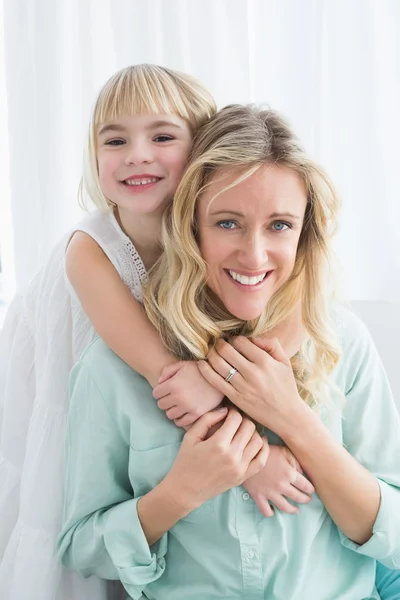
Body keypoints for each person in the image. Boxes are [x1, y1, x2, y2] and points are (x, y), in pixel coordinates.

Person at [57, 104, 400, 599]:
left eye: (280, 225)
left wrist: (294, 419)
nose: (254, 255)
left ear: (304, 234)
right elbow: (81, 547)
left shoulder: (342, 342)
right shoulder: (114, 368)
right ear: (190, 225)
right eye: (227, 223)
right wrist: (180, 491)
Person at [0, 64, 219, 600]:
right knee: (60, 504)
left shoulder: (210, 232)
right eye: (114, 139)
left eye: (162, 136)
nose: (136, 153)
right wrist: (213, 391)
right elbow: (162, 370)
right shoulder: (89, 247)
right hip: (58, 399)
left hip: (124, 407)